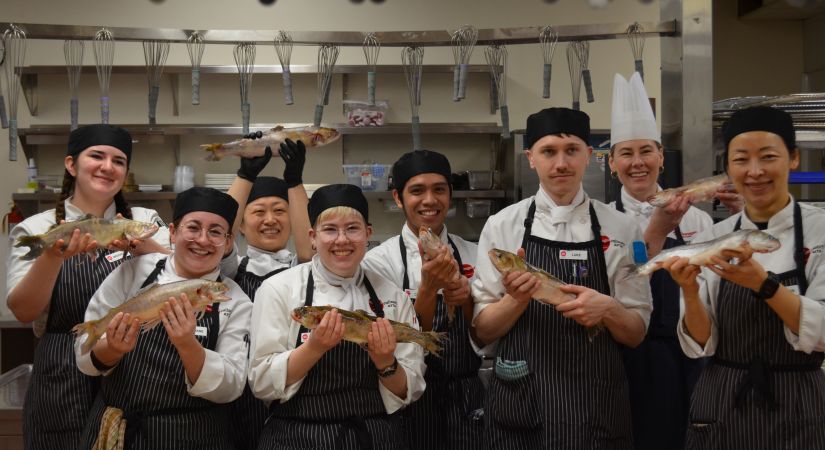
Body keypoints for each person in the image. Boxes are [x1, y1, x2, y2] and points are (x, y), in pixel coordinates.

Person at [471, 107, 653, 449]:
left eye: (571, 151)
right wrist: (517, 299)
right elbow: (482, 331)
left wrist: (610, 310)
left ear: (589, 155)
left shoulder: (623, 228)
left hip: (596, 409)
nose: (561, 164)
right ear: (531, 158)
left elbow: (635, 334)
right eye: (548, 152)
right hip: (522, 407)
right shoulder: (503, 226)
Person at [663, 106, 825, 449]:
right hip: (722, 401)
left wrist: (764, 285)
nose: (755, 172)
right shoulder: (715, 237)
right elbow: (699, 343)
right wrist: (690, 291)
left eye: (768, 157)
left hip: (799, 401)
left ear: (793, 159)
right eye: (741, 159)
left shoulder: (819, 231)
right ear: (727, 169)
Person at [5, 124, 169, 450]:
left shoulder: (145, 221)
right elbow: (24, 310)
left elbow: (178, 275)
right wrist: (53, 256)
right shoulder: (38, 229)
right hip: (62, 375)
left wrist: (139, 246)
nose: (108, 167)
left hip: (133, 367)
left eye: (119, 161)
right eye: (97, 156)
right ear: (71, 164)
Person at [249, 183, 426, 449]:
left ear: (368, 234)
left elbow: (410, 390)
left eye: (352, 229)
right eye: (330, 229)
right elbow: (261, 382)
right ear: (312, 236)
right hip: (297, 437)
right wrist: (314, 348)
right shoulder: (278, 289)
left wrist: (386, 362)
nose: (342, 240)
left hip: (373, 436)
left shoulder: (391, 296)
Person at [74, 186, 252, 450]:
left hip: (193, 437)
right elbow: (84, 357)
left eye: (215, 232)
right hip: (122, 434)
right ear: (172, 232)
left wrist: (188, 345)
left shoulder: (235, 301)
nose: (202, 240)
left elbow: (231, 387)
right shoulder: (132, 272)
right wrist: (111, 348)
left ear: (227, 243)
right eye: (193, 228)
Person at [607, 72, 715, 450]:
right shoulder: (605, 220)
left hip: (690, 353)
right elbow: (617, 284)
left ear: (661, 158)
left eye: (646, 151)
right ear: (611, 164)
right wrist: (656, 229)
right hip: (627, 356)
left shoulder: (698, 219)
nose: (637, 162)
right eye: (626, 153)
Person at [363, 149, 482, 449]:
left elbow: (484, 334)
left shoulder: (473, 253)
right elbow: (395, 341)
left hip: (466, 396)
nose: (430, 200)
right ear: (398, 197)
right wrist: (428, 289)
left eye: (439, 190)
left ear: (450, 195)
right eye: (417, 191)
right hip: (409, 396)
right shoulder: (378, 263)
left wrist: (464, 298)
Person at [221, 137, 313, 450]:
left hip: (293, 396)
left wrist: (295, 182)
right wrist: (244, 177)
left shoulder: (303, 272)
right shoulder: (230, 271)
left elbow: (309, 250)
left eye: (280, 211)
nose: (270, 219)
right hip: (236, 400)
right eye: (258, 211)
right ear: (242, 225)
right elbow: (220, 235)